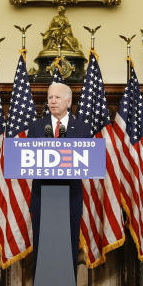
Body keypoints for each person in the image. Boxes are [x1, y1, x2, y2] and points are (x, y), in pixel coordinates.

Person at [26, 82, 91, 274]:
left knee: (69, 249)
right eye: (50, 97)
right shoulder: (37, 127)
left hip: (70, 199)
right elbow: (28, 162)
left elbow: (89, 164)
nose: (52, 101)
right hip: (42, 199)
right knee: (42, 249)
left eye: (57, 97)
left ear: (69, 102)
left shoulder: (82, 129)